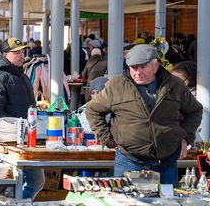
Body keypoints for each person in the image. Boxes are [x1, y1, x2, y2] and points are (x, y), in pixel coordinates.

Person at [86, 44, 202, 185]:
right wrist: (106, 138)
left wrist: (185, 138)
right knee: (129, 204)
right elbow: (92, 109)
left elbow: (194, 111)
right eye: (133, 68)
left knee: (166, 205)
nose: (138, 72)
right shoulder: (116, 85)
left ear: (156, 66)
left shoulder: (175, 85)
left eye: (143, 67)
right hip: (130, 160)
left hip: (167, 160)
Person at [0, 38, 41, 199]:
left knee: (36, 181)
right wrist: (18, 125)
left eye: (22, 52)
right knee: (14, 184)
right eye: (16, 52)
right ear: (4, 55)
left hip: (27, 140)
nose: (21, 55)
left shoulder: (22, 76)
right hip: (9, 142)